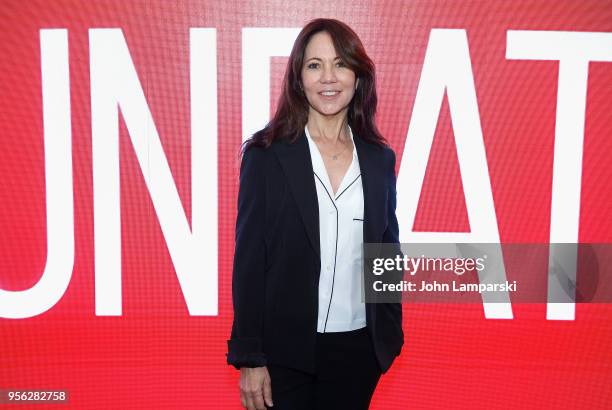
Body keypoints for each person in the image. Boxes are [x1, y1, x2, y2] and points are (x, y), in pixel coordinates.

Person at [227, 18, 404, 410]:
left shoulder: (378, 159)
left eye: (341, 63)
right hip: (283, 355)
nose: (329, 77)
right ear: (298, 78)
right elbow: (250, 261)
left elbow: (387, 251)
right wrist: (250, 356)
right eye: (314, 65)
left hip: (359, 351)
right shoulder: (266, 155)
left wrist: (389, 332)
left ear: (358, 76)